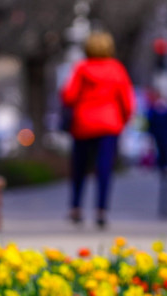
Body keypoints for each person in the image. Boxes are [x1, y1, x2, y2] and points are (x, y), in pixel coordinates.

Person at [60, 31, 134, 228]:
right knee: (104, 169)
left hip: (83, 124)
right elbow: (127, 101)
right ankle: (101, 210)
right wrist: (123, 121)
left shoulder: (81, 68)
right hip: (109, 124)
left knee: (79, 167)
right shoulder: (117, 69)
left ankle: (76, 207)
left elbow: (68, 96)